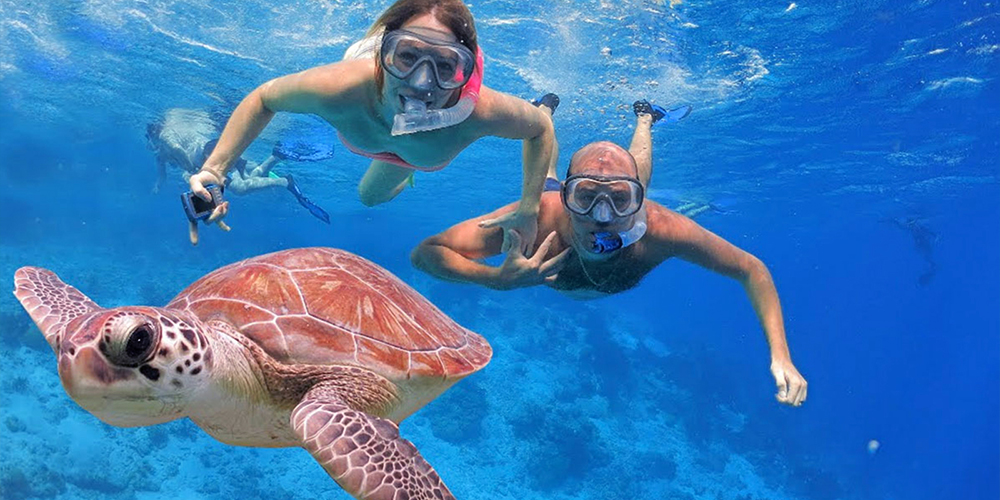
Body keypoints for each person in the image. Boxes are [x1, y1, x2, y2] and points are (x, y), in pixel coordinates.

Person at [411, 99, 808, 407]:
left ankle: (645, 120)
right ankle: (542, 117)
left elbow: (751, 270)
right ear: (568, 197)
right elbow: (426, 252)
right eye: (585, 196)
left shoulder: (662, 229)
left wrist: (782, 356)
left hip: (625, 199)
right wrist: (495, 280)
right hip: (553, 194)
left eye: (620, 199)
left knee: (638, 172)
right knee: (543, 179)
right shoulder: (539, 217)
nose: (602, 217)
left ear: (638, 203)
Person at [186, 0, 555, 247]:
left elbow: (540, 129)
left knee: (370, 196)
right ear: (383, 53)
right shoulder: (341, 88)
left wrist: (528, 209)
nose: (421, 83)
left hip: (412, 154)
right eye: (407, 56)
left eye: (444, 65)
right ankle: (407, 158)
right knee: (369, 195)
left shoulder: (479, 112)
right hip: (387, 112)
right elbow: (264, 97)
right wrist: (215, 170)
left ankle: (409, 167)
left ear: (463, 70)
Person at [146, 108, 331, 224]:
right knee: (248, 177)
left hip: (210, 155)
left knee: (240, 188)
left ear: (153, 134)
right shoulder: (159, 154)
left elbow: (178, 151)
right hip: (212, 150)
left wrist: (195, 172)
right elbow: (161, 174)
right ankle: (275, 157)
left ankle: (285, 182)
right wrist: (157, 187)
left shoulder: (164, 137)